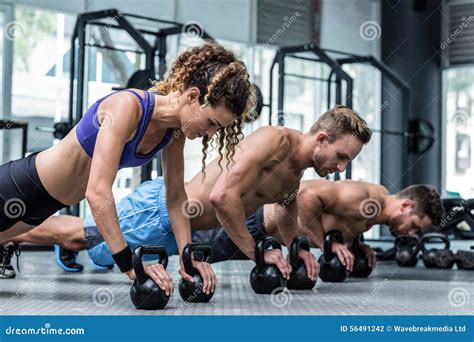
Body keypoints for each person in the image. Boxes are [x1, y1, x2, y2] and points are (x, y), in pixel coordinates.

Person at [4, 106, 372, 284]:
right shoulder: (274, 141)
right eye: (342, 157)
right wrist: (259, 251)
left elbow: (288, 207)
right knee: (79, 236)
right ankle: (10, 236)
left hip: (182, 231)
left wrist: (298, 248)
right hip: (161, 212)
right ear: (321, 138)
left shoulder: (297, 169)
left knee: (89, 243)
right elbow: (223, 197)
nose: (341, 169)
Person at [0, 43, 256, 296]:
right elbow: (97, 191)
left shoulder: (173, 133)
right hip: (17, 189)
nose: (210, 134)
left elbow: (176, 196)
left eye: (217, 129)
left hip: (38, 211)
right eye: (211, 122)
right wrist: (129, 265)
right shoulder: (127, 107)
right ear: (192, 96)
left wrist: (187, 256)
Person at [195, 180, 444, 271]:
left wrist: (356, 244)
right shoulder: (369, 199)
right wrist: (327, 245)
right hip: (258, 224)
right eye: (415, 226)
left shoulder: (375, 209)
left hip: (268, 241)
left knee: (198, 257)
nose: (412, 234)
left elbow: (340, 221)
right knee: (188, 252)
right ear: (406, 206)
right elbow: (306, 194)